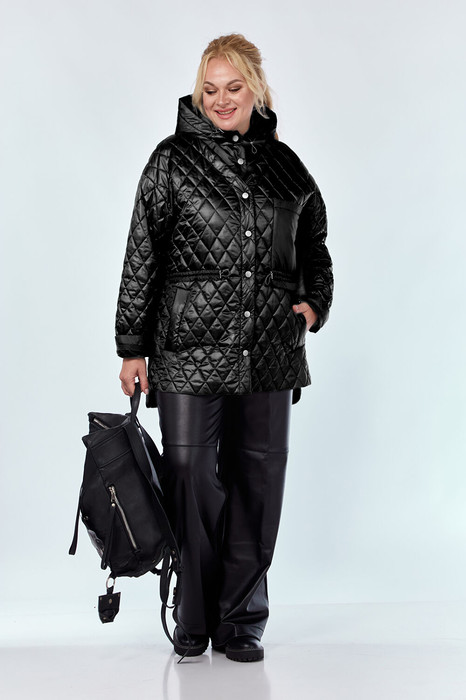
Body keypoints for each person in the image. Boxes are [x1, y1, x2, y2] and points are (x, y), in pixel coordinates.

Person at [115, 33, 333, 663]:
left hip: (269, 351)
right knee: (188, 476)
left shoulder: (287, 166)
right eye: (209, 89)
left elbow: (315, 249)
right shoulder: (170, 161)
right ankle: (193, 611)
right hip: (185, 352)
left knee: (257, 482)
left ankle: (241, 620)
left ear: (256, 89)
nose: (221, 99)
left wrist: (314, 302)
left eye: (234, 87)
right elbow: (142, 256)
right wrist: (132, 345)